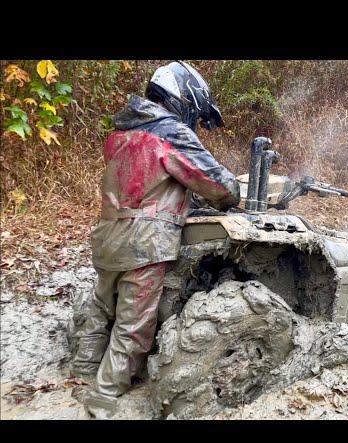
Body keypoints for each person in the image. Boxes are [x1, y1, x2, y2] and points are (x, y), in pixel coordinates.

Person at [70, 61, 240, 417]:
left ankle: (83, 372)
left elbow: (145, 181)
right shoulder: (171, 133)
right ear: (184, 97)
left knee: (103, 308)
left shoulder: (121, 132)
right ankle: (102, 396)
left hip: (107, 235)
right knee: (133, 326)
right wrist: (231, 193)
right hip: (145, 240)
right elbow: (217, 183)